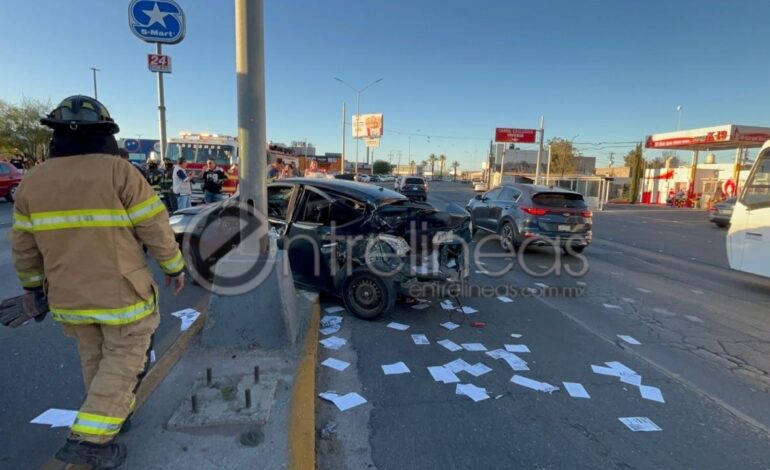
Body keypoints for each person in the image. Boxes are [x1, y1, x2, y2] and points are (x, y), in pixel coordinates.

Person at [8, 95, 185, 468]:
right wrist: (174, 269)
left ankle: (113, 416)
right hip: (122, 294)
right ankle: (90, 439)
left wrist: (32, 288)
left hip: (68, 297)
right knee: (124, 362)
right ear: (105, 133)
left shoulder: (33, 181)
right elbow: (155, 228)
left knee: (96, 360)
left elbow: (24, 248)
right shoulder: (119, 173)